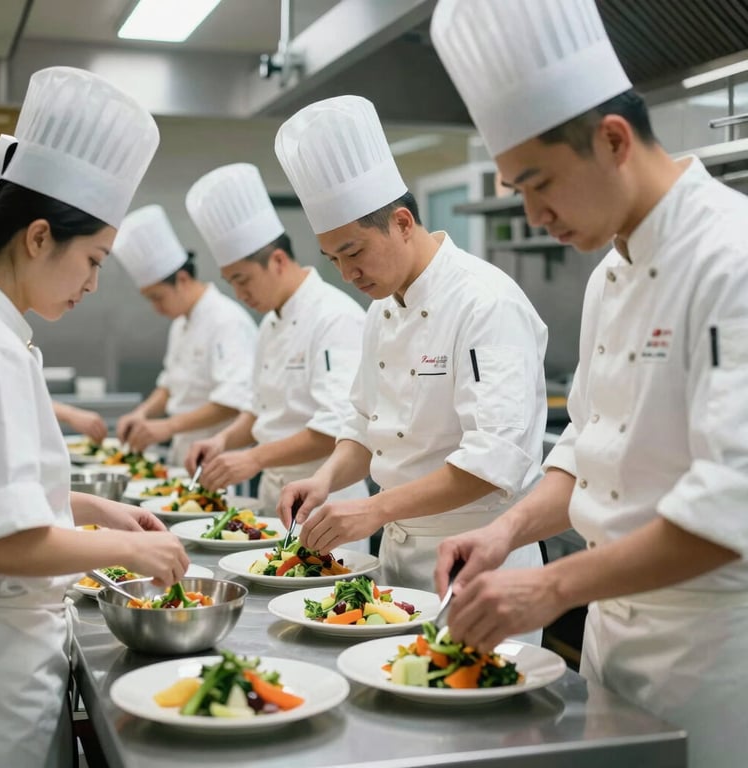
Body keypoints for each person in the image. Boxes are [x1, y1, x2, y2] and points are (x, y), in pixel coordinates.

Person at [431, 1, 748, 765]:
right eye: (516, 190)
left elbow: (734, 503)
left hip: (715, 658)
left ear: (613, 140)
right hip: (610, 634)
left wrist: (550, 588)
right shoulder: (610, 273)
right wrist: (505, 532)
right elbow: (584, 444)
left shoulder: (731, 257)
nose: (533, 214)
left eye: (539, 183)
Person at [0, 68, 189, 768]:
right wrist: (130, 551)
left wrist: (91, 508)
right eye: (93, 260)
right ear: (40, 237)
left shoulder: (1, 333)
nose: (94, 284)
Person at [273, 95, 548, 615]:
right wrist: (324, 480)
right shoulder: (382, 308)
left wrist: (374, 508)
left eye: (354, 252)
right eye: (333, 260)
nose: (347, 274)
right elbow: (363, 424)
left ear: (402, 223)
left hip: (477, 562)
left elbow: (492, 462)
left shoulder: (485, 302)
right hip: (395, 560)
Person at [183, 164, 370, 541]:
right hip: (275, 496)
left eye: (244, 280)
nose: (240, 295)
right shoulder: (270, 323)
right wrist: (223, 441)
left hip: (326, 501)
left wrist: (253, 458)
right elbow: (259, 410)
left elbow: (335, 429)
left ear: (279, 261)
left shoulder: (335, 317)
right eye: (231, 283)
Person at [112, 204, 258, 466]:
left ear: (182, 280)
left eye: (158, 297)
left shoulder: (227, 321)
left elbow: (233, 400)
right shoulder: (181, 324)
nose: (156, 308)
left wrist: (167, 426)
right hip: (184, 450)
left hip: (219, 456)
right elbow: (169, 385)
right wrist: (142, 413)